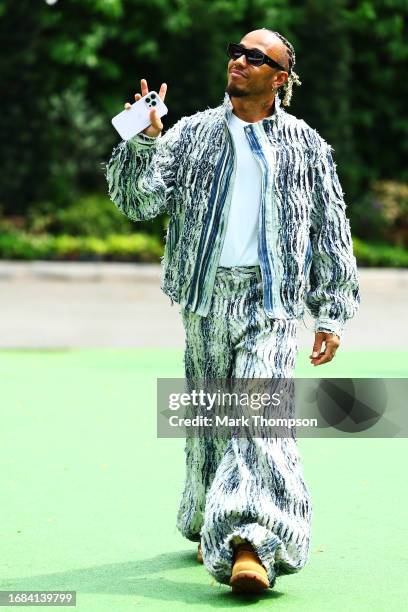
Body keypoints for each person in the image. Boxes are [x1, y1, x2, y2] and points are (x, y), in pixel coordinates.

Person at [105, 28, 361, 594]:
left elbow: (330, 230)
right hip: (203, 298)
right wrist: (143, 142)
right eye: (235, 52)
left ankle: (253, 541)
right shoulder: (192, 134)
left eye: (256, 57)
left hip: (272, 303)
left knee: (258, 419)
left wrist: (332, 312)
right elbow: (137, 201)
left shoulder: (306, 145)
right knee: (214, 424)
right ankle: (208, 524)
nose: (239, 61)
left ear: (280, 78)